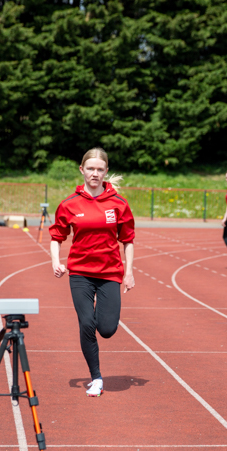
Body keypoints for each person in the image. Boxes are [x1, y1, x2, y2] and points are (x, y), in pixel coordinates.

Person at [49, 148, 135, 398]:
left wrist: (129, 273)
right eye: (91, 169)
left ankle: (101, 315)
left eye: (100, 169)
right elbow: (57, 237)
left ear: (106, 171)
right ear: (82, 170)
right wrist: (56, 261)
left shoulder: (118, 204)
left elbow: (128, 240)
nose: (95, 173)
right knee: (86, 323)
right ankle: (96, 377)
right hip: (80, 273)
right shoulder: (69, 204)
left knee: (107, 329)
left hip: (110, 272)